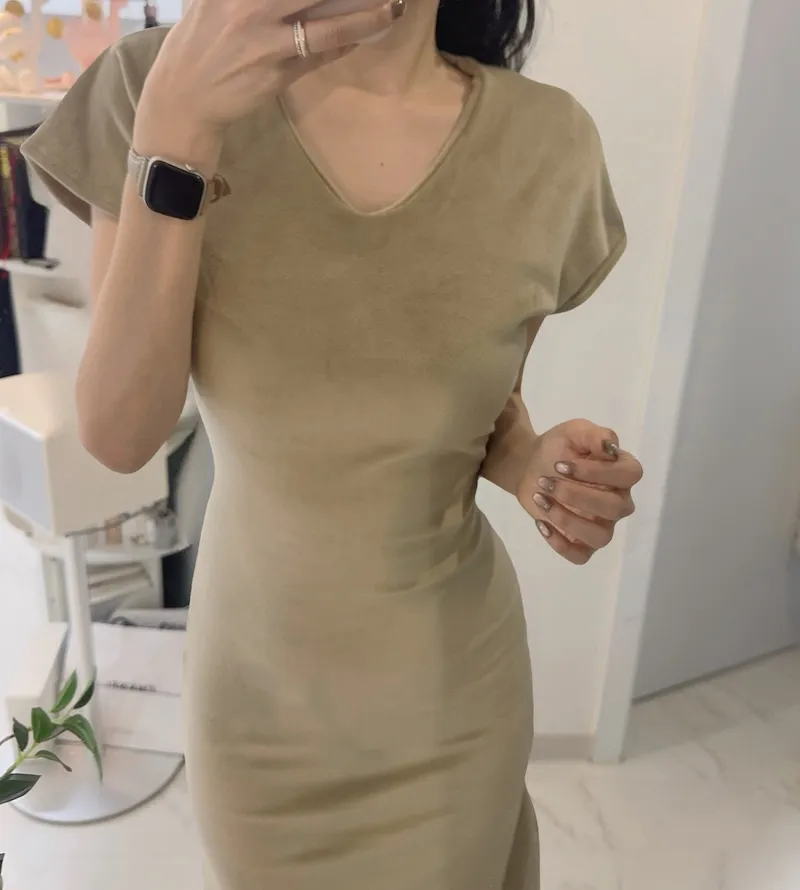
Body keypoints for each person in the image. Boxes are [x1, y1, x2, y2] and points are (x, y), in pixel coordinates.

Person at [22, 0, 643, 887]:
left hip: (450, 696)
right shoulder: (158, 82)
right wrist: (177, 130)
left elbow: (479, 415)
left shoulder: (546, 144)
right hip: (258, 706)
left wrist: (537, 467)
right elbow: (121, 434)